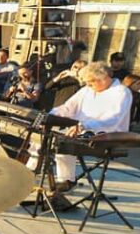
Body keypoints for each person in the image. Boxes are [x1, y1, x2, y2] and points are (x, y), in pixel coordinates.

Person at [46, 62, 133, 190]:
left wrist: (84, 125)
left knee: (63, 142)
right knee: (48, 138)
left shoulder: (121, 92)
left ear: (103, 78)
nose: (88, 85)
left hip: (108, 136)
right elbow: (67, 107)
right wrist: (49, 116)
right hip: (84, 132)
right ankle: (35, 173)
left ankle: (66, 181)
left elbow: (113, 119)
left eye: (91, 82)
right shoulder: (87, 90)